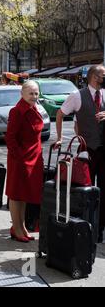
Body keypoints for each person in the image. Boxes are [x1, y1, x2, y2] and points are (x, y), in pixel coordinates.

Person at [55, 64, 105, 243]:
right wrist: (60, 138)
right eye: (103, 75)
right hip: (87, 151)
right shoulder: (77, 96)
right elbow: (60, 114)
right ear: (94, 77)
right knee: (86, 190)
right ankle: (85, 226)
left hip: (103, 149)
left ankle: (99, 229)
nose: (104, 78)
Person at [6, 80, 44, 243]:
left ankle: (20, 226)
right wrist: (19, 156)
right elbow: (10, 137)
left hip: (33, 157)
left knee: (25, 194)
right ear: (22, 93)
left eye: (36, 93)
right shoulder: (17, 111)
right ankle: (17, 227)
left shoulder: (33, 108)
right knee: (16, 194)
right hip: (20, 158)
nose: (34, 96)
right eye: (31, 93)